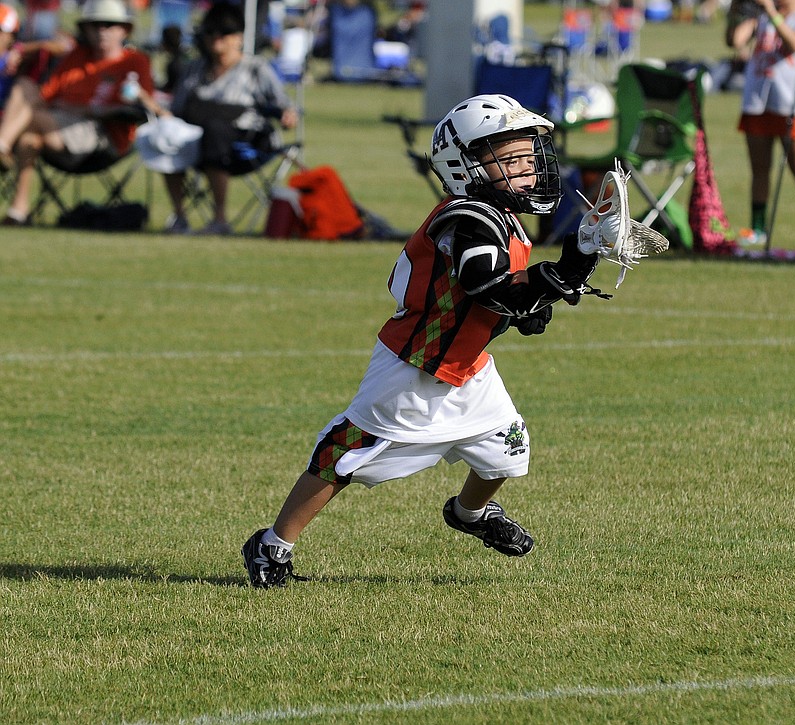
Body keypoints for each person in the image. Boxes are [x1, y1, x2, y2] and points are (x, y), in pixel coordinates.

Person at [240, 94, 631, 588]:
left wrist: (538, 299)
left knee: (506, 450)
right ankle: (272, 546)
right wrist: (565, 268)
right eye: (509, 160)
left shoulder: (500, 214)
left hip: (467, 363)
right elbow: (485, 285)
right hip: (417, 361)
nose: (527, 170)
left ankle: (469, 514)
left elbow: (495, 298)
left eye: (527, 157)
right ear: (464, 165)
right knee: (345, 457)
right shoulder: (468, 218)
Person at [0, 0, 157, 226]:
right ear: (85, 29)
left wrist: (94, 110)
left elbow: (144, 106)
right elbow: (46, 95)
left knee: (29, 115)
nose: (102, 31)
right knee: (28, 122)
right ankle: (18, 210)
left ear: (124, 29)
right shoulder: (76, 56)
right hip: (58, 129)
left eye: (109, 25)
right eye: (95, 25)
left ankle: (3, 144)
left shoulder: (135, 61)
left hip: (102, 137)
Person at [159, 3, 298, 235]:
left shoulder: (255, 68)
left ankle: (220, 219)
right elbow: (176, 109)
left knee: (215, 132)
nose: (216, 38)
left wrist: (287, 114)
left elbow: (283, 104)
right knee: (166, 135)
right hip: (195, 140)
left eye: (224, 32)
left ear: (238, 37)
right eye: (210, 32)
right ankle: (179, 216)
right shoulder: (194, 69)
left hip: (245, 142)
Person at [728, 0, 795, 248]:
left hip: (792, 102)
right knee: (759, 167)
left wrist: (772, 12)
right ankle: (758, 227)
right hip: (758, 98)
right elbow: (735, 41)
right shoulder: (760, 15)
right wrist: (735, 11)